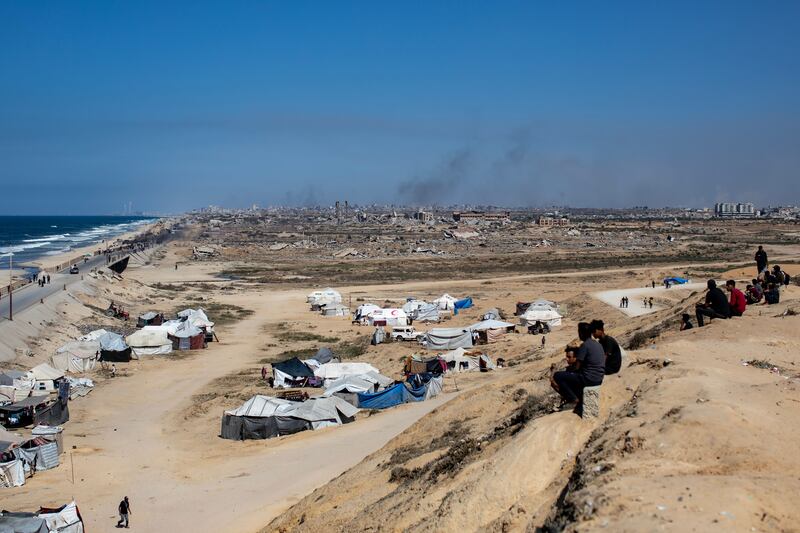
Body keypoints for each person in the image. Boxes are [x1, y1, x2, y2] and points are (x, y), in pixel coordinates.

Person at [552, 322, 605, 412]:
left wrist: (570, 371)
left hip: (589, 379)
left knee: (558, 376)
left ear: (581, 333)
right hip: (599, 378)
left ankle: (573, 400)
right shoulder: (597, 344)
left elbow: (577, 366)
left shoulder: (585, 345)